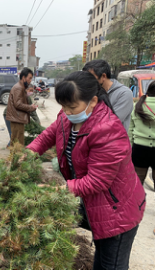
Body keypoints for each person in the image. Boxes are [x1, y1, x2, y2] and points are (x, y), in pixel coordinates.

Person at [26, 71, 145, 269]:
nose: (67, 111)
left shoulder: (107, 129)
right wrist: (30, 151)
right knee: (100, 260)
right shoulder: (68, 118)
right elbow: (48, 134)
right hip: (98, 205)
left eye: (72, 107)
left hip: (117, 211)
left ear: (93, 101)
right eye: (63, 106)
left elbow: (98, 181)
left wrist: (62, 189)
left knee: (111, 265)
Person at [82, 59, 133, 131]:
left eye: (91, 78)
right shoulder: (91, 91)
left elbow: (112, 121)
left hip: (113, 140)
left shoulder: (124, 93)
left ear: (103, 76)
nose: (88, 81)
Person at [128, 80, 155, 193]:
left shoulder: (137, 105)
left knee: (137, 184)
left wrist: (130, 148)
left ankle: (137, 208)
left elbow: (130, 130)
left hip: (139, 149)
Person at [6, 68, 37, 146]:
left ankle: (14, 158)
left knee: (16, 142)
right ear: (23, 77)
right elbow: (18, 104)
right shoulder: (18, 88)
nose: (30, 80)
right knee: (18, 144)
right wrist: (30, 107)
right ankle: (14, 158)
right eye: (29, 78)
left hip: (18, 119)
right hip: (17, 119)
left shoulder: (21, 87)